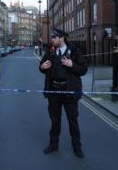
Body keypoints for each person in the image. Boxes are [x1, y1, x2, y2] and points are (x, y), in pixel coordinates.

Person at [39, 28, 88, 158]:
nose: (52, 40)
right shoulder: (50, 51)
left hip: (69, 92)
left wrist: (72, 64)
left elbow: (83, 69)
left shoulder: (74, 51)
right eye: (52, 37)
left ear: (62, 38)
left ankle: (77, 147)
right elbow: (41, 65)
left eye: (54, 37)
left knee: (73, 122)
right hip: (54, 91)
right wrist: (42, 67)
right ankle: (53, 145)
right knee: (55, 121)